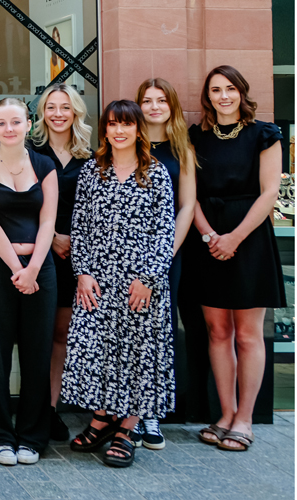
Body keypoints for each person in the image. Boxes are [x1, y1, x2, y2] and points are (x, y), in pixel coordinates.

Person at [63, 100, 176, 468]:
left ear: (138, 130)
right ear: (105, 130)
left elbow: (165, 232)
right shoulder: (92, 172)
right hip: (97, 280)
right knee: (95, 350)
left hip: (140, 284)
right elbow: (79, 226)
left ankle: (127, 427)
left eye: (127, 124)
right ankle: (101, 418)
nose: (119, 131)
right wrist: (82, 272)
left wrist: (148, 278)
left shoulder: (155, 173)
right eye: (113, 124)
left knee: (137, 354)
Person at [189, 66, 284, 452]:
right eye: (215, 90)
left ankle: (245, 419)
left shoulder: (265, 134)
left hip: (249, 237)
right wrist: (211, 235)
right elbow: (188, 195)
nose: (223, 96)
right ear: (207, 96)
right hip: (208, 235)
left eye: (230, 89)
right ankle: (225, 414)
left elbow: (269, 193)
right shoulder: (197, 137)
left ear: (242, 92)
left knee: (247, 333)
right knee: (218, 332)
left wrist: (235, 238)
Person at [0, 98, 58, 466]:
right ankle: (0, 435)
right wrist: (15, 268)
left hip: (40, 267)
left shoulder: (45, 165)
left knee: (39, 353)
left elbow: (49, 222)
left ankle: (33, 437)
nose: (9, 129)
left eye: (16, 122)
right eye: (1, 123)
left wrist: (33, 268)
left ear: (28, 124)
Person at [135, 77, 197, 450]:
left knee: (159, 333)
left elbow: (187, 205)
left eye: (161, 100)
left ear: (172, 105)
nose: (154, 106)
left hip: (166, 254)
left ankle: (151, 414)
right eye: (147, 100)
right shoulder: (127, 142)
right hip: (124, 254)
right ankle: (125, 410)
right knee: (128, 331)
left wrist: (165, 253)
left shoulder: (182, 149)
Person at [29, 83, 92, 442]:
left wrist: (72, 240)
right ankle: (34, 408)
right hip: (39, 250)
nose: (57, 114)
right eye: (50, 107)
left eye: (65, 108)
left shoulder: (92, 157)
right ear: (42, 113)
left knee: (60, 335)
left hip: (77, 256)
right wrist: (51, 236)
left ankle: (51, 408)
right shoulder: (30, 150)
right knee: (37, 333)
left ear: (75, 113)